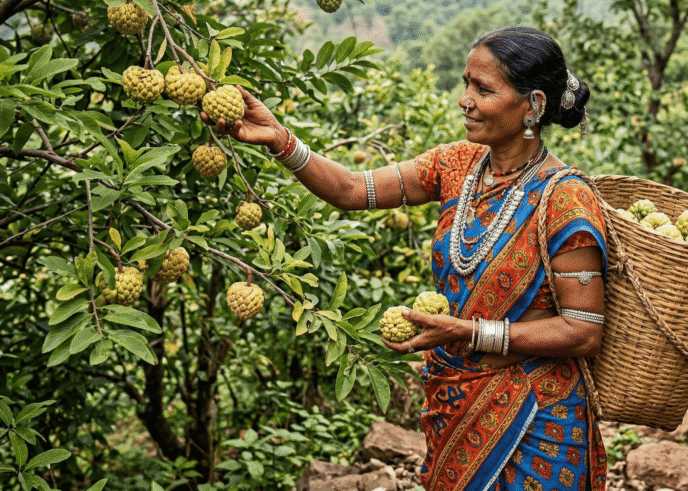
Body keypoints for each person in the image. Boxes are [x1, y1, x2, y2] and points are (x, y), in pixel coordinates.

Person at [205, 26, 609, 491]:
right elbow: (353, 190)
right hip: (455, 399)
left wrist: (469, 332)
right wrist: (281, 140)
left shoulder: (566, 199)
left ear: (534, 105)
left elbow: (583, 331)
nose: (465, 99)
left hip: (536, 418)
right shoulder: (456, 165)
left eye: (483, 88)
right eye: (465, 83)